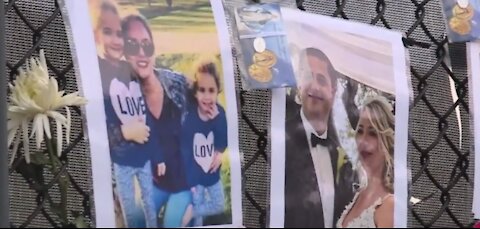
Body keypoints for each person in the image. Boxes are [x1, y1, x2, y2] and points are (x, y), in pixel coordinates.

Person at [121, 14, 191, 228]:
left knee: (172, 223)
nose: (141, 53)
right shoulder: (122, 98)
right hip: (156, 185)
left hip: (187, 183)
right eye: (132, 46)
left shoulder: (178, 84)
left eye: (146, 45)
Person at [91, 1, 156, 227]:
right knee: (123, 214)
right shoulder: (94, 70)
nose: (116, 41)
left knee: (147, 207)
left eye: (120, 34)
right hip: (113, 163)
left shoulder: (127, 70)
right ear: (95, 35)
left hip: (140, 158)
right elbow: (95, 125)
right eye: (107, 32)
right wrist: (124, 132)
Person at [284, 47, 356, 228]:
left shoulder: (341, 151)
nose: (314, 86)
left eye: (321, 79)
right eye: (308, 77)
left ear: (333, 91)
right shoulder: (280, 139)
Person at [336, 96, 395, 228]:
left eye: (373, 133)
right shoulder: (358, 195)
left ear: (387, 141)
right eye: (360, 131)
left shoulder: (389, 205)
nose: (363, 141)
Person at [181, 62, 227, 227]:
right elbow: (185, 150)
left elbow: (223, 140)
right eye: (202, 90)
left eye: (211, 90)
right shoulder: (190, 117)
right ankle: (194, 218)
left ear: (217, 92)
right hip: (195, 176)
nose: (207, 96)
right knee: (197, 209)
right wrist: (190, 180)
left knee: (218, 204)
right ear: (195, 92)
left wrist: (216, 121)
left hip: (212, 172)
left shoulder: (220, 114)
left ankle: (193, 211)